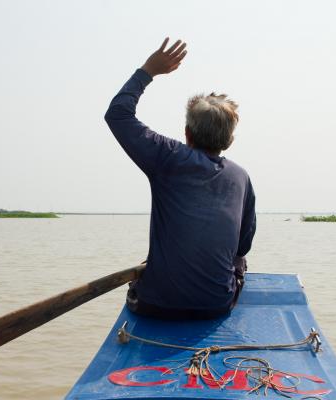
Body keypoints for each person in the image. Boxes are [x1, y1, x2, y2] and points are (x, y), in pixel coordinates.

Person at [105, 38, 256, 320]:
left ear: (187, 133)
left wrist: (147, 70)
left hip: (156, 305)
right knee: (239, 260)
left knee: (146, 270)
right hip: (216, 306)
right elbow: (242, 245)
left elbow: (118, 114)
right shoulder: (241, 177)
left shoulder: (168, 157)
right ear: (230, 140)